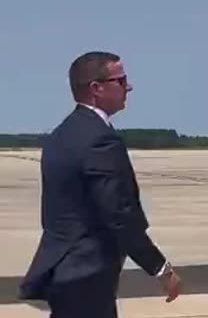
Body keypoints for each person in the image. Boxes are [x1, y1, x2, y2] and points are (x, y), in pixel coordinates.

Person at [18, 51, 181, 316]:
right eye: (120, 80)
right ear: (97, 88)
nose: (128, 86)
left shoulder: (60, 135)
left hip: (63, 272)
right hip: (88, 276)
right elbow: (119, 215)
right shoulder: (100, 140)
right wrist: (160, 268)